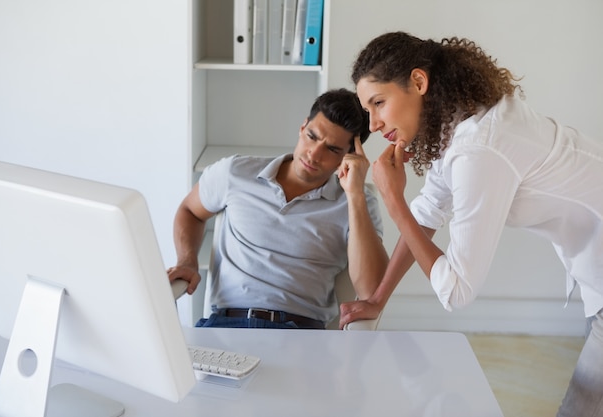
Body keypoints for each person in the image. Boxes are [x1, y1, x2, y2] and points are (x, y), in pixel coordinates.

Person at [338, 31, 603, 416]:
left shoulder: (479, 147)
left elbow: (458, 290)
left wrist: (394, 202)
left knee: (582, 406)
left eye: (379, 103)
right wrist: (378, 299)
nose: (374, 124)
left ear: (418, 82)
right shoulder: (463, 121)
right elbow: (429, 211)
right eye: (368, 111)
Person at [167, 88, 389, 330]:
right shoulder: (235, 172)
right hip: (225, 327)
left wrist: (354, 194)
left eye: (332, 149)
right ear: (303, 126)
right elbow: (190, 210)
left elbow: (370, 289)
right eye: (312, 136)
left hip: (300, 335)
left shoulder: (357, 200)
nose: (314, 154)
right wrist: (187, 261)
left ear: (350, 156)